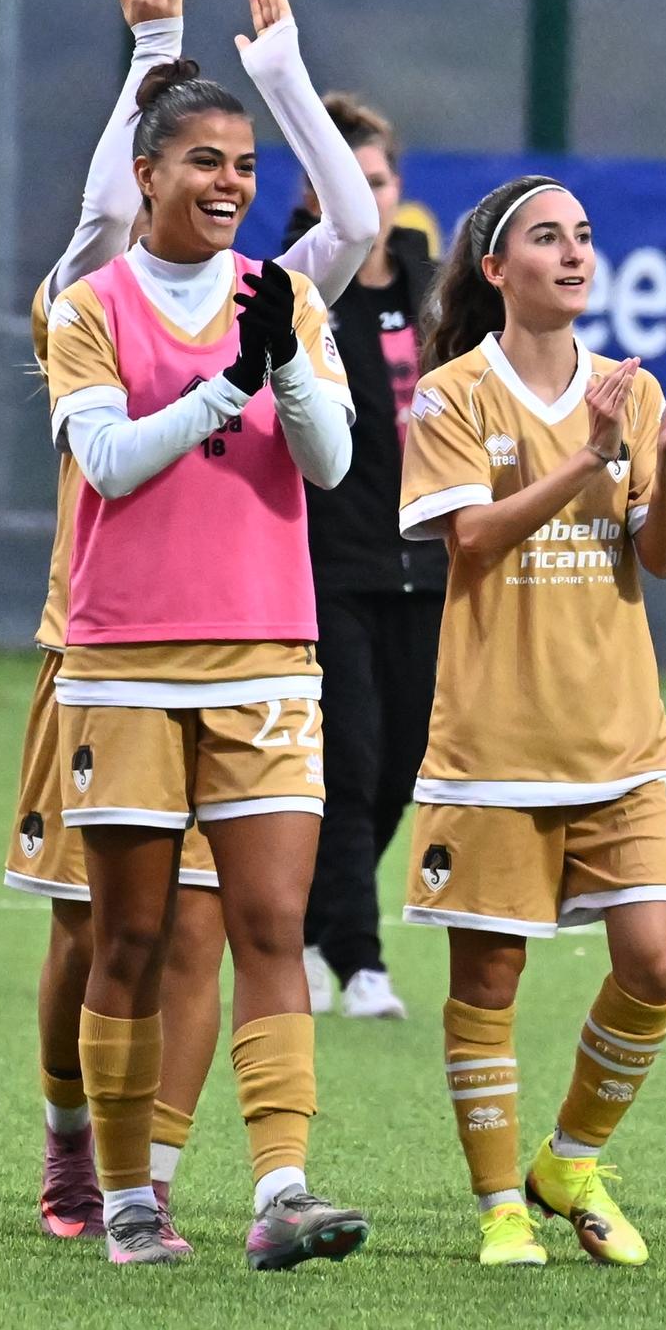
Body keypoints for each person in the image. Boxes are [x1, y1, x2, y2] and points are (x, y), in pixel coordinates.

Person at [44, 16, 374, 1270]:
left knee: (271, 925)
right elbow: (110, 461)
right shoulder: (92, 306)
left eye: (243, 164)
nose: (230, 182)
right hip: (126, 659)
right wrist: (219, 391)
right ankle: (130, 1199)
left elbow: (332, 461)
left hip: (270, 655)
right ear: (147, 176)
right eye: (205, 162)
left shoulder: (280, 296)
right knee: (130, 937)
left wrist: (281, 367)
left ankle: (282, 1186)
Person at [398, 177, 666, 1269]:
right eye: (548, 237)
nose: (575, 252)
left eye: (584, 235)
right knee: (486, 983)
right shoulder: (450, 394)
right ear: (496, 269)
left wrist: (663, 452)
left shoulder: (627, 390)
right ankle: (500, 1206)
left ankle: (569, 1159)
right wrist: (586, 458)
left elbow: (664, 553)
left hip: (621, 736)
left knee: (657, 959)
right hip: (494, 740)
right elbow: (473, 541)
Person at [290, 93, 444, 1023]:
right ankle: (357, 959)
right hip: (327, 567)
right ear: (317, 194)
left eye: (379, 178)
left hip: (427, 567)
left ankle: (311, 924)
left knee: (404, 766)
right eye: (349, 180)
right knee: (347, 763)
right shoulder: (295, 290)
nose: (369, 195)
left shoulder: (436, 294)